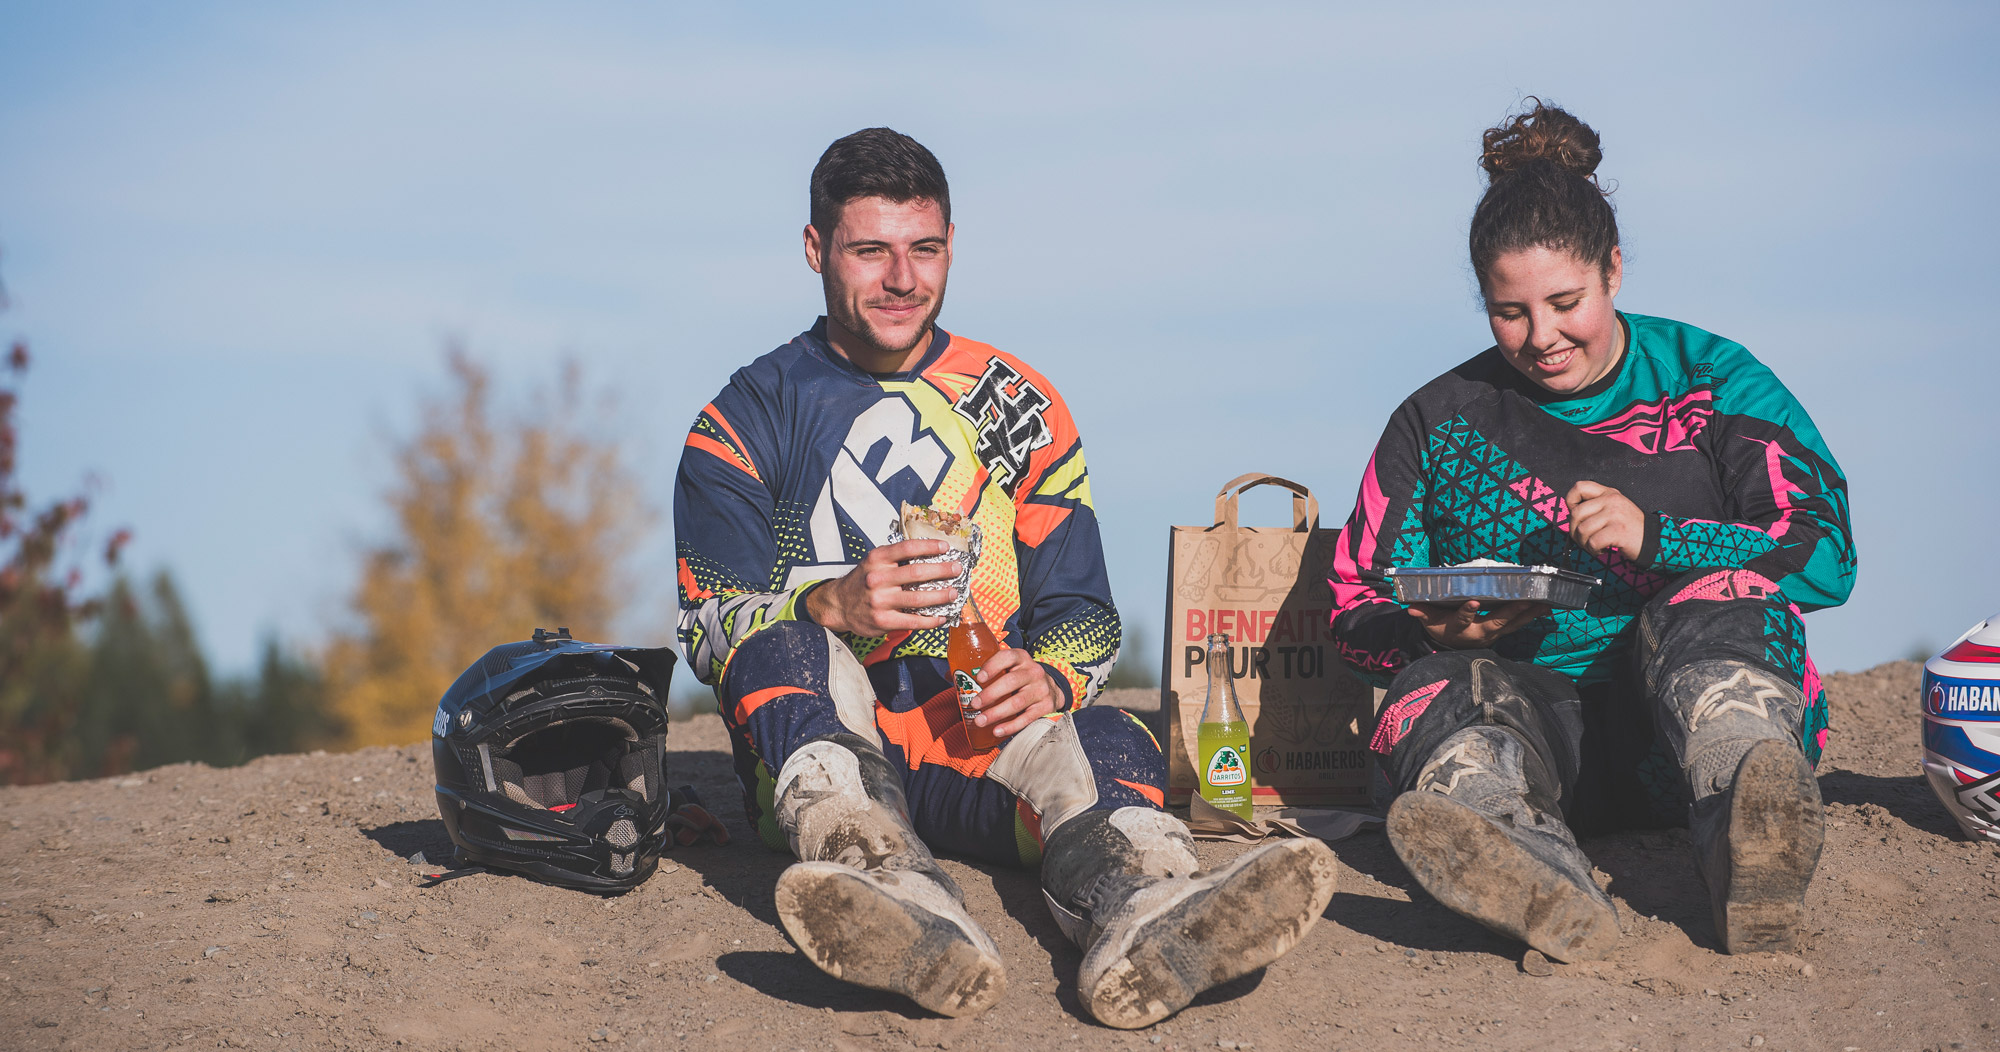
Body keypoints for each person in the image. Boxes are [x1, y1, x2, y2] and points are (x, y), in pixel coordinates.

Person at [674, 127, 1337, 1027]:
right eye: (871, 251)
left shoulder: (1020, 402)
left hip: (979, 740)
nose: (903, 279)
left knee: (1108, 735)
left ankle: (1145, 910)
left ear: (953, 245)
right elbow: (707, 628)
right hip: (827, 739)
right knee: (782, 646)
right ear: (815, 249)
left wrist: (1052, 673)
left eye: (926, 249)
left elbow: (1085, 617)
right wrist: (831, 603)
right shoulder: (742, 419)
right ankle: (888, 887)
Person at [1327, 101, 1855, 961]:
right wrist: (1427, 627)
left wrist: (1662, 541)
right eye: (1509, 312)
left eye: (1565, 302)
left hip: (1690, 740)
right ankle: (1522, 861)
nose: (1541, 338)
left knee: (1722, 599)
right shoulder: (1434, 418)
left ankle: (1747, 833)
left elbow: (1828, 554)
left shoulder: (1713, 380)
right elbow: (1355, 596)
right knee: (1438, 683)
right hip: (1536, 745)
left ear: (1613, 270)